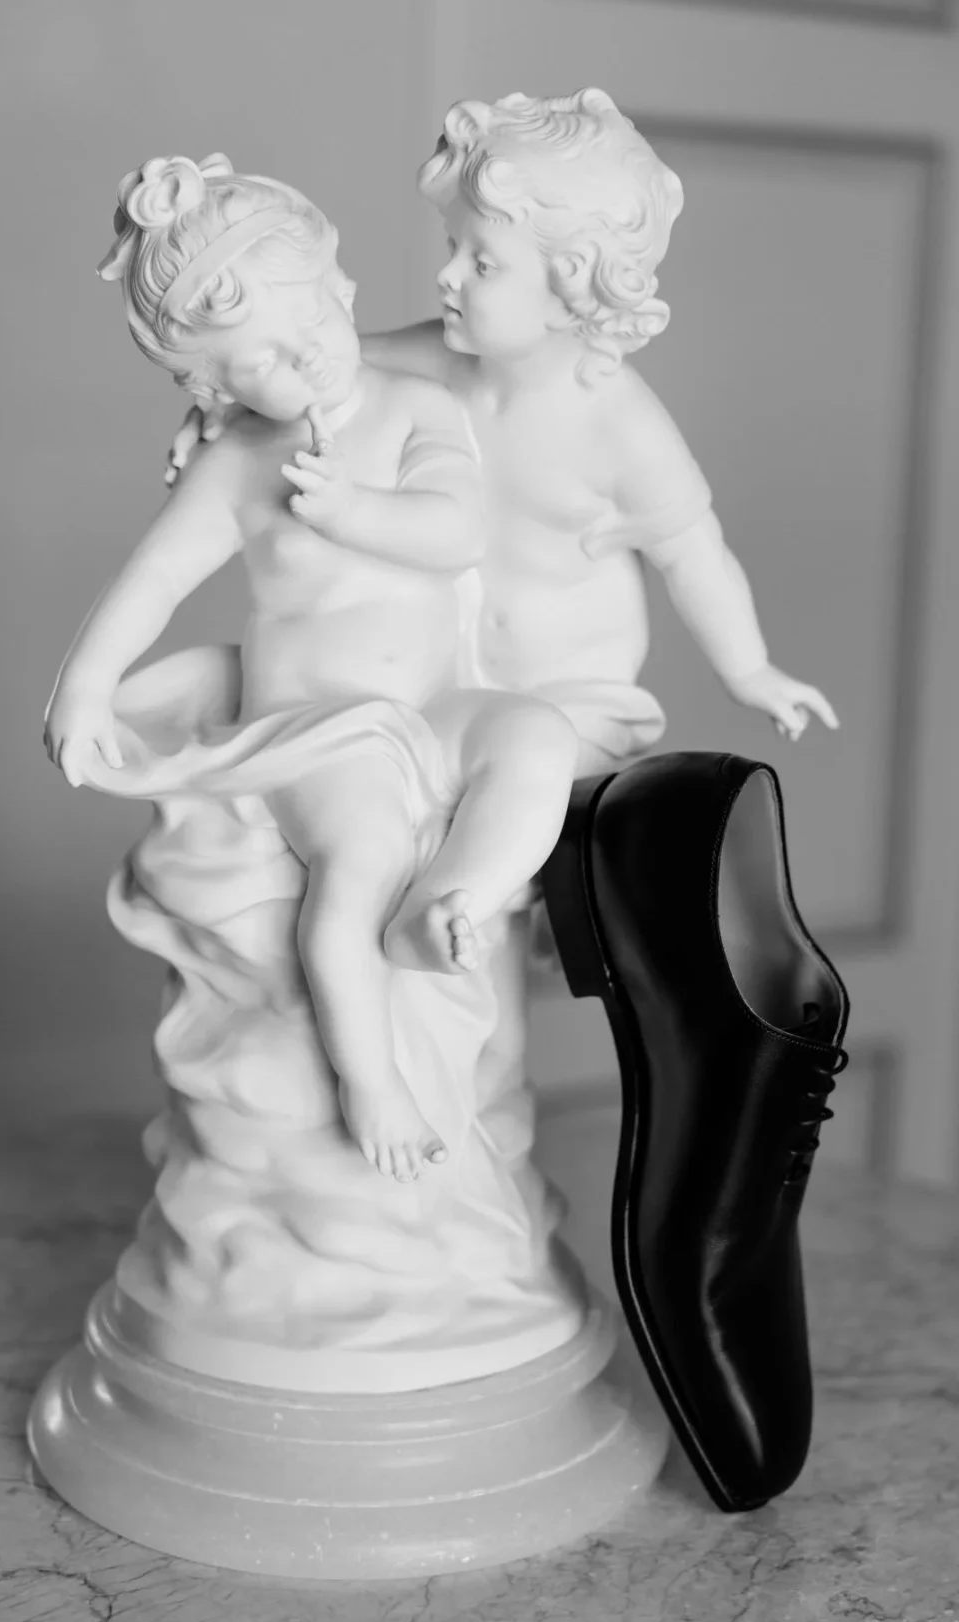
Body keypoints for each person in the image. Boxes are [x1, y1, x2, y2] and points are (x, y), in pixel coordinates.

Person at [44, 153, 580, 1184]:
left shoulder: (417, 408)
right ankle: (369, 1080)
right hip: (321, 735)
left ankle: (453, 901)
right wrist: (84, 688)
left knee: (534, 739)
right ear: (215, 388)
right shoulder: (234, 465)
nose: (306, 356)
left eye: (313, 321)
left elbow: (456, 532)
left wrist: (353, 510)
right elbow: (152, 583)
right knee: (349, 881)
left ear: (343, 288)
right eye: (264, 360)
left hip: (431, 704)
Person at [171, 89, 837, 767]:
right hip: (455, 691)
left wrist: (750, 670)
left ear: (570, 287)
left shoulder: (619, 427)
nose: (447, 274)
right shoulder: (439, 358)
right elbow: (317, 373)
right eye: (452, 247)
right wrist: (224, 412)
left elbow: (696, 556)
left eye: (482, 263)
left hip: (575, 706)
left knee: (515, 775)